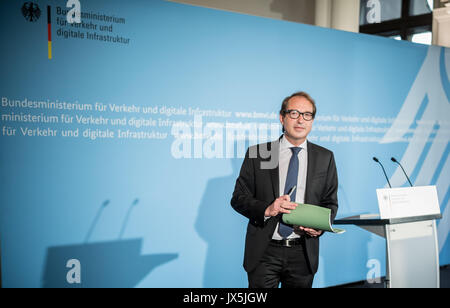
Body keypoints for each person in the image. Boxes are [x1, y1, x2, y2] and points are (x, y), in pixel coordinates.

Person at [230, 91, 338, 288]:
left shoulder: (325, 157)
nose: (300, 120)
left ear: (312, 120)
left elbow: (330, 203)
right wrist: (267, 209)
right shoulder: (261, 153)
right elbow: (238, 198)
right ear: (282, 117)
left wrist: (319, 228)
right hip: (265, 251)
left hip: (303, 252)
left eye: (307, 115)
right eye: (294, 113)